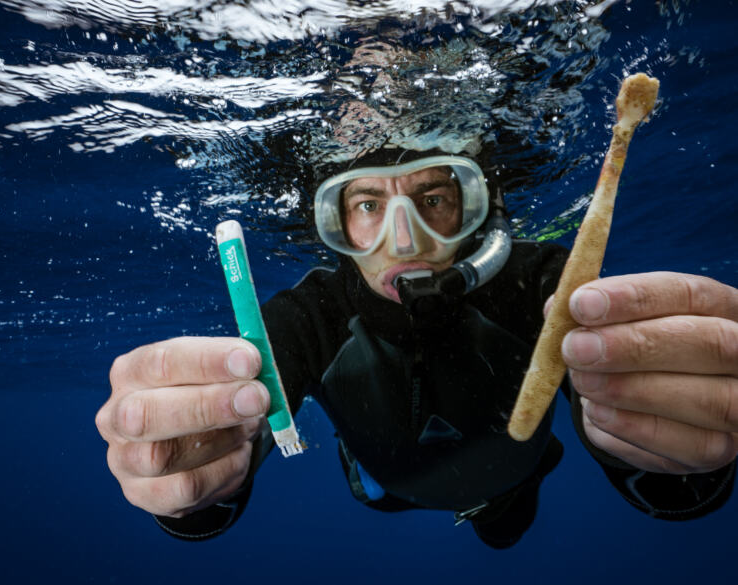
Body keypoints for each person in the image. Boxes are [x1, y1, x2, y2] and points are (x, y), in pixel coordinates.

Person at [95, 145, 737, 548]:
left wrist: (655, 438)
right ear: (335, 224)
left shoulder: (539, 285)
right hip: (385, 486)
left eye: (433, 198)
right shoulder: (309, 316)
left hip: (511, 487)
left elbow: (629, 415)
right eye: (368, 204)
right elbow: (237, 437)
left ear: (474, 207)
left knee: (503, 532)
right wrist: (197, 469)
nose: (404, 244)